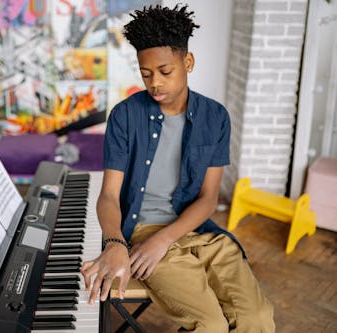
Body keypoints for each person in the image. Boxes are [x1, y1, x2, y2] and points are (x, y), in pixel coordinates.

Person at [80, 5, 275, 332]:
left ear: (188, 63)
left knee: (257, 319)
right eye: (145, 73)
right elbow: (109, 196)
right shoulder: (125, 116)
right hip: (142, 236)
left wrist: (166, 239)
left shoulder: (216, 118)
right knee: (210, 324)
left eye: (165, 71)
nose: (154, 83)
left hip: (200, 231)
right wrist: (116, 243)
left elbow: (209, 198)